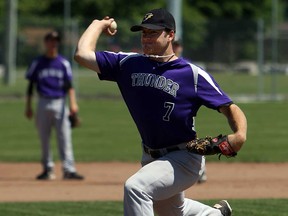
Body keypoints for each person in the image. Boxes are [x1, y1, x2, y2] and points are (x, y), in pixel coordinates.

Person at [74, 8, 247, 216]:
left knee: (136, 188)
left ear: (170, 34)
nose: (146, 38)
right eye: (143, 33)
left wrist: (239, 136)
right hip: (151, 157)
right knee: (173, 212)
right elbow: (82, 55)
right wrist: (98, 24)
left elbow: (230, 108)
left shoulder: (192, 74)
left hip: (184, 157)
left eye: (153, 32)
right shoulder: (128, 64)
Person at [25, 30, 84, 180]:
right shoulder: (37, 62)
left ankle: (68, 169)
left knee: (65, 137)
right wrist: (28, 106)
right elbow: (31, 85)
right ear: (45, 43)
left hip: (60, 103)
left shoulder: (63, 63)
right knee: (44, 138)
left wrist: (73, 104)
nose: (53, 43)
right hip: (42, 102)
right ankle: (47, 169)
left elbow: (69, 85)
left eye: (55, 40)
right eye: (50, 40)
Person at [172, 40, 208, 184]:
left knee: (190, 138)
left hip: (183, 108)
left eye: (178, 45)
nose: (176, 47)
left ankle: (200, 168)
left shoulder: (186, 64)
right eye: (174, 44)